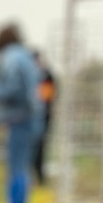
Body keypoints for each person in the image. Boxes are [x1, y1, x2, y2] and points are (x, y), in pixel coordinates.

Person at [0, 24, 43, 203]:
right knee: (22, 167)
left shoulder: (10, 58)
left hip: (20, 120)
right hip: (31, 119)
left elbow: (12, 90)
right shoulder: (25, 56)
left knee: (17, 168)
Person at [33, 53, 56, 186]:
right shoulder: (32, 76)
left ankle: (40, 177)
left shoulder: (47, 76)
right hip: (33, 118)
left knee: (40, 148)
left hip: (43, 117)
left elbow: (47, 97)